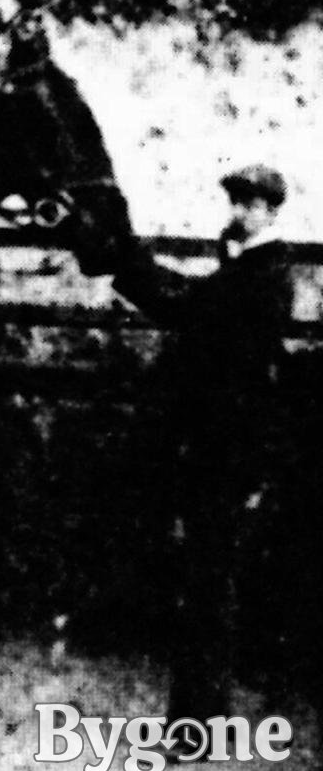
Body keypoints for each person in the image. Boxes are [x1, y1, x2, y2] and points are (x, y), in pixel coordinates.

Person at [115, 164, 297, 732]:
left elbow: (190, 308)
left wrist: (123, 262)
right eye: (236, 201)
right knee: (205, 588)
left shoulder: (263, 273)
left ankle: (197, 725)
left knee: (209, 592)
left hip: (228, 452)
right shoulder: (247, 268)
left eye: (250, 204)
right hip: (218, 448)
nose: (239, 212)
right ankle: (196, 720)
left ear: (271, 211)